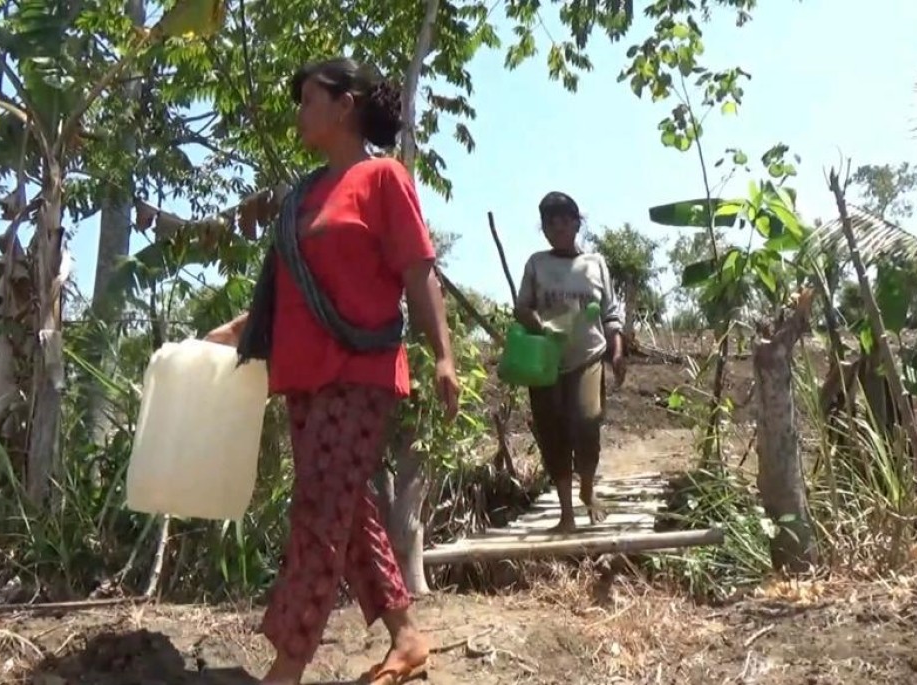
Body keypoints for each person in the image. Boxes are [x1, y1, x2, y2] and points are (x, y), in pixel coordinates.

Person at [204, 57, 458, 685]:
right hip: (302, 377)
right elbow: (285, 285)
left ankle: (286, 667)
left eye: (309, 98)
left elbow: (417, 270)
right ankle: (406, 639)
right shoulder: (304, 194)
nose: (300, 110)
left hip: (358, 371)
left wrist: (445, 355)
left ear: (344, 105)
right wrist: (240, 330)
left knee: (317, 513)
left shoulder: (382, 179)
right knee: (346, 514)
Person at [513, 191, 625, 533]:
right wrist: (536, 322)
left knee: (587, 421)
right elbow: (522, 307)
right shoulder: (536, 264)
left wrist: (617, 349)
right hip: (545, 361)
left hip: (587, 356)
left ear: (578, 224)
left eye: (566, 220)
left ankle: (587, 486)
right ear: (544, 229)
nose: (559, 228)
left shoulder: (595, 264)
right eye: (551, 222)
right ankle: (566, 515)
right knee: (553, 432)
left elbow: (610, 313)